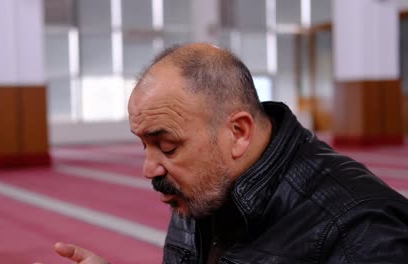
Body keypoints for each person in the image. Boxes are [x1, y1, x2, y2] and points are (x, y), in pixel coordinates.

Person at [37, 43, 408, 263]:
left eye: (167, 146)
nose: (149, 168)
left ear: (238, 132)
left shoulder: (360, 231)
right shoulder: (201, 188)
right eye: (144, 145)